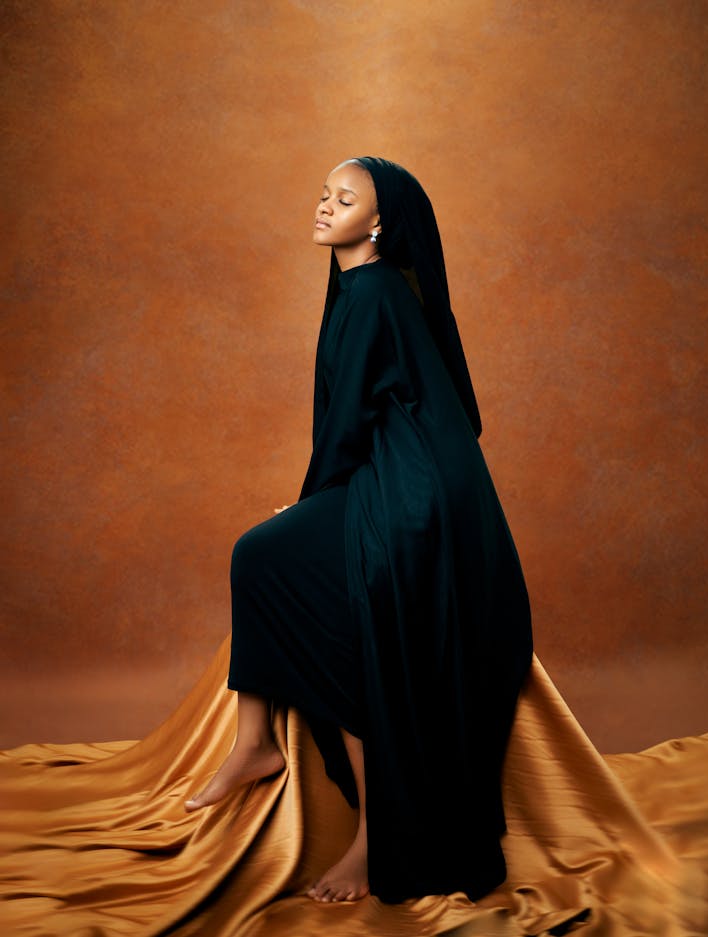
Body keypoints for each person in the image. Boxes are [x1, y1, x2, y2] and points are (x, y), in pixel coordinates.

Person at [184, 157, 534, 905]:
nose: (324, 206)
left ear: (375, 224)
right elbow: (354, 418)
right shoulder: (355, 286)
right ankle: (255, 747)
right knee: (277, 567)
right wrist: (313, 506)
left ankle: (359, 825)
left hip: (415, 493)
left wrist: (308, 505)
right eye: (323, 193)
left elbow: (346, 424)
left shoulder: (372, 291)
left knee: (266, 556)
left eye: (344, 201)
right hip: (395, 472)